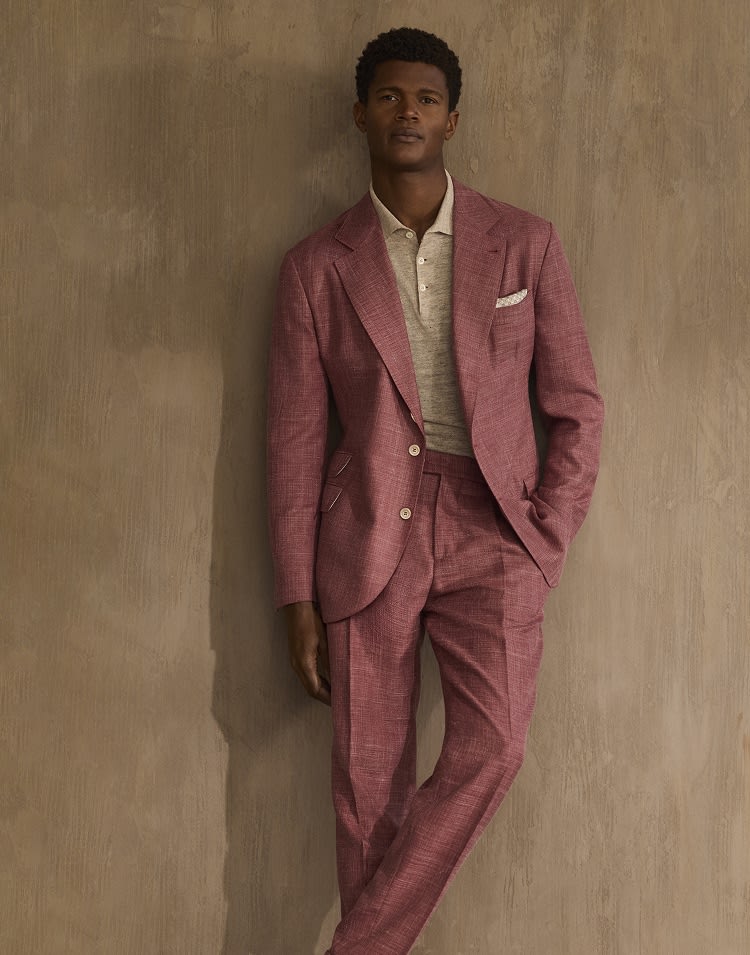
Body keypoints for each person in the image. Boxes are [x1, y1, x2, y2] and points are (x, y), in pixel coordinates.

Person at [267, 26, 604, 955]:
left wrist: (547, 533)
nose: (406, 112)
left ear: (452, 119)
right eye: (388, 96)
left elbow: (576, 407)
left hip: (496, 526)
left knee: (495, 748)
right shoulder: (315, 266)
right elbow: (294, 441)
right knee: (366, 788)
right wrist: (296, 595)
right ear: (359, 115)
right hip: (367, 531)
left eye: (425, 98)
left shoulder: (525, 243)